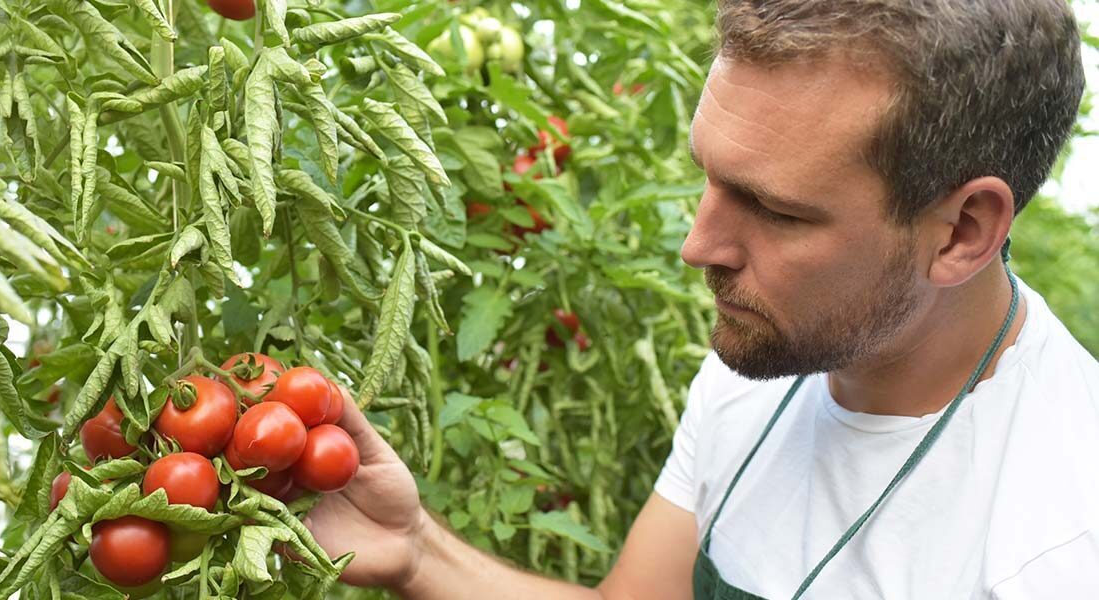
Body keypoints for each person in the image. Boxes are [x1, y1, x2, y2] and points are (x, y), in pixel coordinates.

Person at [305, 0, 1099, 598]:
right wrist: (416, 548)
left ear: (963, 231)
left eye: (778, 211)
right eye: (709, 177)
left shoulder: (1058, 541)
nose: (698, 247)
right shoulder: (768, 356)